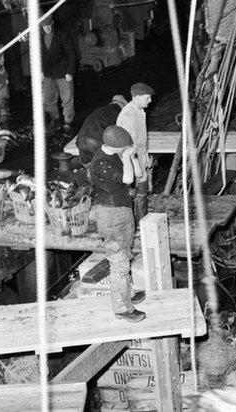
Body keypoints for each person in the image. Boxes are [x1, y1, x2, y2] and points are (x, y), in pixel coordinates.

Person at [88, 125, 147, 323]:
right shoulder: (101, 163)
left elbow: (138, 175)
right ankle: (122, 308)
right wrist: (127, 157)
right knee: (119, 263)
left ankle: (128, 294)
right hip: (111, 216)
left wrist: (132, 157)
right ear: (118, 146)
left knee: (125, 256)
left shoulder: (114, 155)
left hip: (121, 211)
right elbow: (129, 179)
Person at [117, 82, 155, 222]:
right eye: (147, 98)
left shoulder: (138, 111)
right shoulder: (129, 116)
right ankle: (139, 223)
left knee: (141, 190)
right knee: (138, 191)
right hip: (131, 161)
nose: (150, 101)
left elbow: (140, 140)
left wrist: (145, 156)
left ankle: (140, 219)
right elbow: (128, 146)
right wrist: (136, 166)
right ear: (137, 97)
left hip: (139, 157)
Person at [40, 17, 76, 132]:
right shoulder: (40, 39)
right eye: (45, 26)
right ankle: (55, 120)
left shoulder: (62, 35)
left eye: (49, 25)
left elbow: (71, 53)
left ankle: (68, 122)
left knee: (67, 99)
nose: (48, 28)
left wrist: (70, 72)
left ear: (52, 23)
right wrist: (40, 71)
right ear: (41, 26)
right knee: (48, 99)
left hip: (63, 73)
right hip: (48, 74)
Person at [77, 95, 128, 167]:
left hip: (80, 140)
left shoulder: (102, 110)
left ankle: (89, 172)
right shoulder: (120, 113)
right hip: (96, 140)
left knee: (89, 161)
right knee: (114, 163)